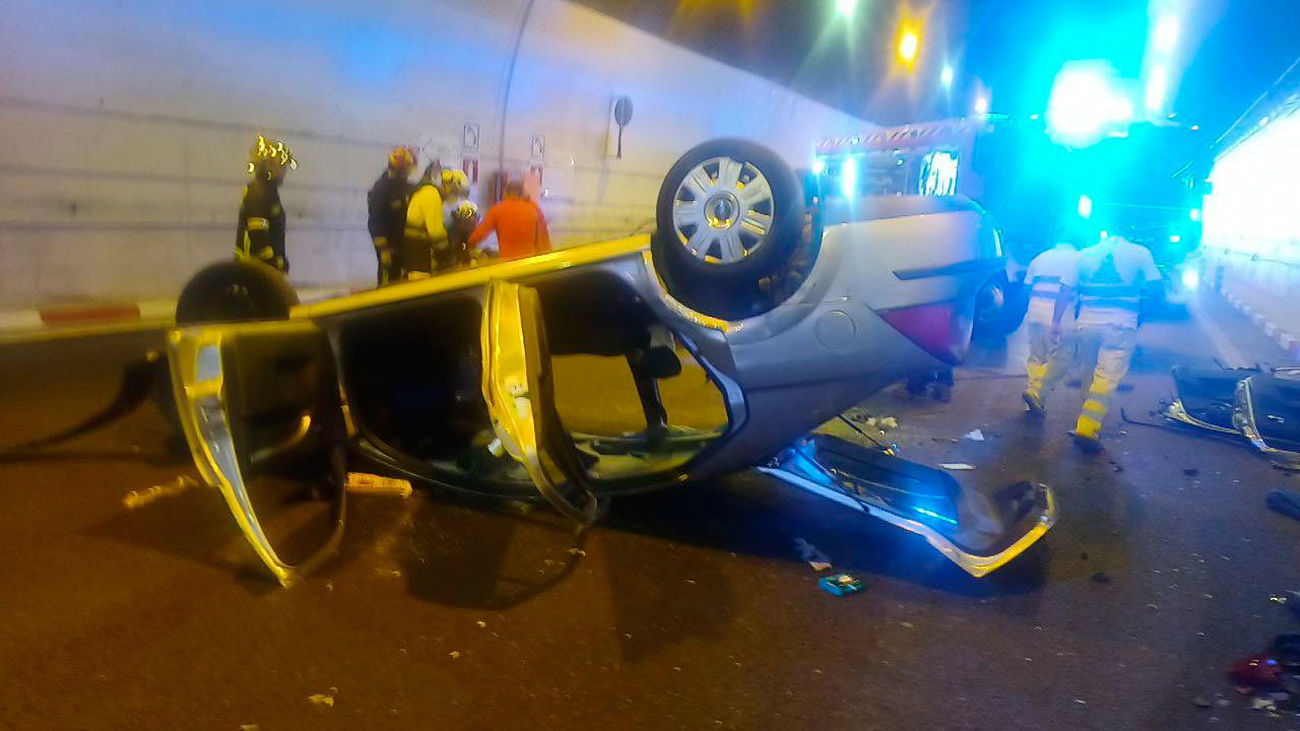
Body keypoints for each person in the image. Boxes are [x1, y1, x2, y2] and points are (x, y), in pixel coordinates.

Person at [1071, 234, 1161, 453]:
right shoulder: (1141, 253)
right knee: (1106, 377)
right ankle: (1087, 425)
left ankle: (1085, 414)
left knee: (1088, 373)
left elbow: (1069, 288)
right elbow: (1158, 288)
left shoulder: (1085, 254)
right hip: (1120, 325)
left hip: (1086, 324)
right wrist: (1143, 313)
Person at [1022, 234, 1081, 415]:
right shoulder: (1079, 260)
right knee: (1062, 358)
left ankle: (1034, 402)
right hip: (1060, 315)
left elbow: (1026, 288)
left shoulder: (1040, 258)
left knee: (1036, 357)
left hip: (1035, 313)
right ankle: (1036, 392)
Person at [235, 135, 296, 272]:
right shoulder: (259, 192)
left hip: (259, 270)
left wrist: (281, 259)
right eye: (282, 166)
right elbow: (258, 234)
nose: (284, 171)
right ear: (270, 166)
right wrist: (274, 264)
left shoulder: (268, 191)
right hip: (253, 271)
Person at [368, 147, 417, 286]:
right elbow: (375, 222)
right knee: (387, 285)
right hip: (389, 249)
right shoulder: (381, 189)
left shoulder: (404, 187)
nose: (409, 173)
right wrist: (383, 250)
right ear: (400, 169)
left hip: (402, 247)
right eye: (407, 169)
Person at [468, 181, 551, 261]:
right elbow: (542, 242)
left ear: (506, 193)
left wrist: (468, 245)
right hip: (528, 265)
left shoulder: (498, 209)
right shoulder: (534, 210)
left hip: (507, 264)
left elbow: (478, 235)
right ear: (521, 193)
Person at [402, 163, 447, 279]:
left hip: (412, 253)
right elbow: (436, 231)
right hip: (419, 255)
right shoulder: (431, 194)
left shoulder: (422, 191)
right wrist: (446, 255)